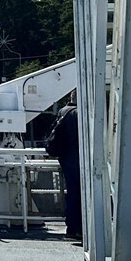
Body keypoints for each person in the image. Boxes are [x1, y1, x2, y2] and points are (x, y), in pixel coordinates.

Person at [48, 102, 82, 240]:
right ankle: (79, 228)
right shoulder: (79, 113)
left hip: (66, 159)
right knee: (80, 195)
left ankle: (72, 228)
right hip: (77, 159)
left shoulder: (63, 112)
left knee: (72, 193)